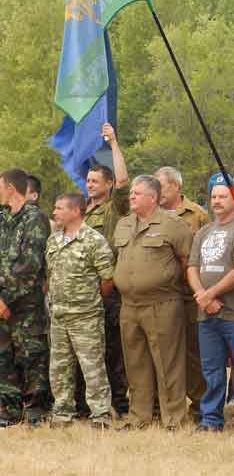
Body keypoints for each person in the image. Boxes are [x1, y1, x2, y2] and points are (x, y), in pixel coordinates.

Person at [113, 175, 194, 430]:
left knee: (167, 363)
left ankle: (174, 419)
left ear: (153, 197)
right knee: (135, 363)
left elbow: (187, 262)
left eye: (137, 193)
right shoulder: (124, 224)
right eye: (131, 193)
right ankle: (139, 417)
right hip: (129, 305)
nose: (132, 197)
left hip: (162, 303)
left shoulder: (173, 224)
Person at [187, 174, 234, 432]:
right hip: (206, 314)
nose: (217, 201)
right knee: (211, 369)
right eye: (214, 196)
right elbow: (192, 267)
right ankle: (211, 419)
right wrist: (202, 296)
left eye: (223, 196)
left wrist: (210, 294)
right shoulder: (203, 231)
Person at [46, 193, 115, 428]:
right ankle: (63, 412)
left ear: (75, 211)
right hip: (59, 316)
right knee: (60, 367)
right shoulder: (54, 240)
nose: (54, 212)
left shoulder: (93, 240)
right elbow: (50, 275)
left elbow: (107, 279)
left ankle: (100, 414)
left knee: (92, 366)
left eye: (59, 208)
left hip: (85, 315)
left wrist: (91, 300)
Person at [82, 122, 130, 416]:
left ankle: (120, 403)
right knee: (91, 352)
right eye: (87, 181)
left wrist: (113, 143)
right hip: (84, 294)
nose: (89, 185)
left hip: (109, 291)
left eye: (95, 181)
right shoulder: (82, 210)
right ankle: (94, 404)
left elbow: (124, 181)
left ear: (108, 184)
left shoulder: (114, 208)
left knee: (114, 351)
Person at [155, 166, 209, 421]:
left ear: (176, 186)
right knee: (164, 353)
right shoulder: (150, 215)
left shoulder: (196, 215)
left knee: (193, 353)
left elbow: (206, 252)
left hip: (189, 296)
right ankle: (165, 404)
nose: (157, 191)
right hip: (160, 297)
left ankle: (200, 404)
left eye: (162, 186)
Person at [0, 168, 51, 427]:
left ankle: (36, 412)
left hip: (25, 304)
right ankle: (9, 411)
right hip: (2, 303)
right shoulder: (3, 218)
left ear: (11, 187)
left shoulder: (34, 218)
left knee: (32, 356)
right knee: (4, 356)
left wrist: (6, 298)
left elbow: (30, 265)